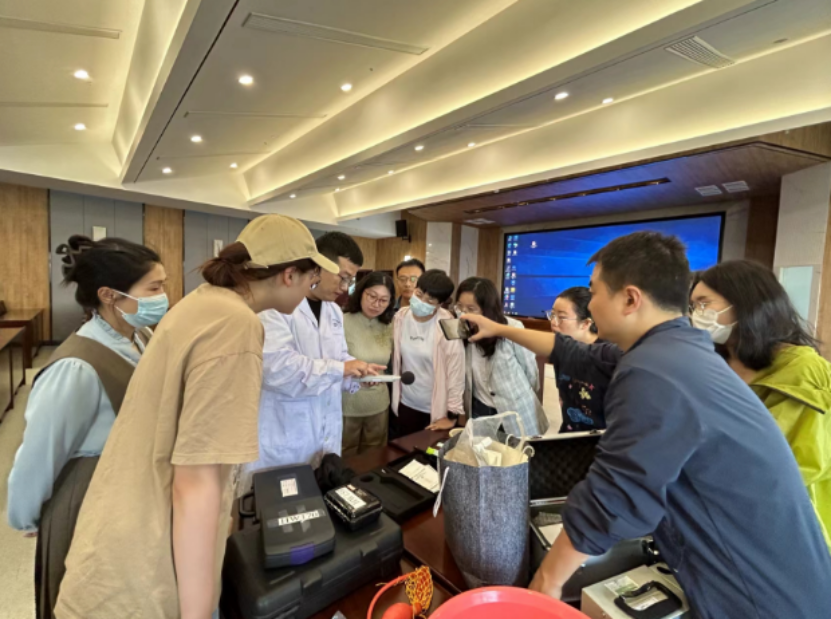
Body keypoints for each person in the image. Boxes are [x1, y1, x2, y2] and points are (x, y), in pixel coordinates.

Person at [464, 231, 831, 618]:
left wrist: (546, 583)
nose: (592, 303)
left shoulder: (656, 370)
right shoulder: (674, 350)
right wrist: (499, 328)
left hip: (761, 596)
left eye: (595, 291)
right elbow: (575, 354)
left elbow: (616, 494)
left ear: (630, 298)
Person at [55, 215, 336, 619]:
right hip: (146, 557)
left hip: (119, 528)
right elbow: (196, 483)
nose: (312, 290)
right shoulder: (236, 324)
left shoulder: (205, 302)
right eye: (312, 280)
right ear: (289, 275)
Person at [7, 236, 166, 619]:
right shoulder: (76, 366)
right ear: (109, 295)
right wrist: (27, 512)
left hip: (129, 488)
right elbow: (42, 449)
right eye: (154, 288)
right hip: (90, 492)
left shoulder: (139, 337)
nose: (163, 297)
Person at [691, 259, 831, 549]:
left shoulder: (803, 370)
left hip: (786, 530)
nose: (697, 315)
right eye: (693, 306)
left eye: (704, 304)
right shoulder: (712, 364)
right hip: (718, 522)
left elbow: (797, 464)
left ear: (745, 303)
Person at [248, 232, 385, 475]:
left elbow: (339, 357)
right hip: (286, 433)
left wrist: (357, 372)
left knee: (324, 488)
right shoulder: (276, 307)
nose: (344, 288)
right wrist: (341, 368)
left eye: (350, 281)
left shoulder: (334, 311)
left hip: (326, 432)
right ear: (318, 266)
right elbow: (277, 368)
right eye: (343, 278)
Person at [454, 277, 546, 436]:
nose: (464, 314)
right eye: (460, 307)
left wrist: (520, 396)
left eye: (471, 308)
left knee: (518, 450)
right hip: (480, 409)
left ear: (487, 309)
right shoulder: (462, 330)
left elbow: (531, 372)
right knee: (483, 450)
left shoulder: (512, 328)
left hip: (514, 410)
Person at [392, 269, 464, 435]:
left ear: (440, 303)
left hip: (434, 410)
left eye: (430, 299)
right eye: (419, 294)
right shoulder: (400, 317)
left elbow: (456, 373)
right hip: (405, 403)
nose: (421, 301)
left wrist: (452, 414)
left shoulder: (450, 325)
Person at [548, 287, 617, 432]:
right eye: (552, 314)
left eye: (561, 317)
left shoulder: (607, 356)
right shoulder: (561, 351)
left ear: (586, 323)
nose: (553, 322)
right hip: (569, 436)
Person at [341, 272, 396, 456]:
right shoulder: (342, 320)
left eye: (383, 300)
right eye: (372, 296)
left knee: (374, 455)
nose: (376, 304)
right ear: (360, 292)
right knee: (344, 453)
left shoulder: (390, 325)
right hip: (346, 402)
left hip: (378, 402)